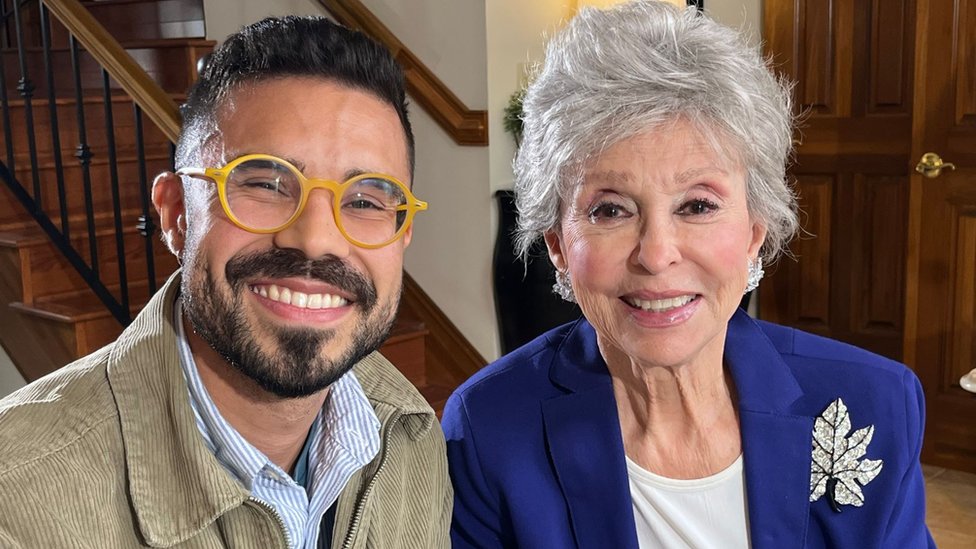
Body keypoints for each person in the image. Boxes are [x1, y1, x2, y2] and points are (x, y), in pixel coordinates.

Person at [442, 2, 934, 548]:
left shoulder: (878, 403)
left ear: (754, 232)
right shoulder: (489, 429)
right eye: (610, 210)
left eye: (697, 205)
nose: (656, 255)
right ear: (557, 246)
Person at [0, 16, 450, 548]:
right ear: (174, 214)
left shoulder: (411, 434)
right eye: (264, 182)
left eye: (364, 201)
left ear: (402, 235)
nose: (316, 240)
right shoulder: (18, 498)